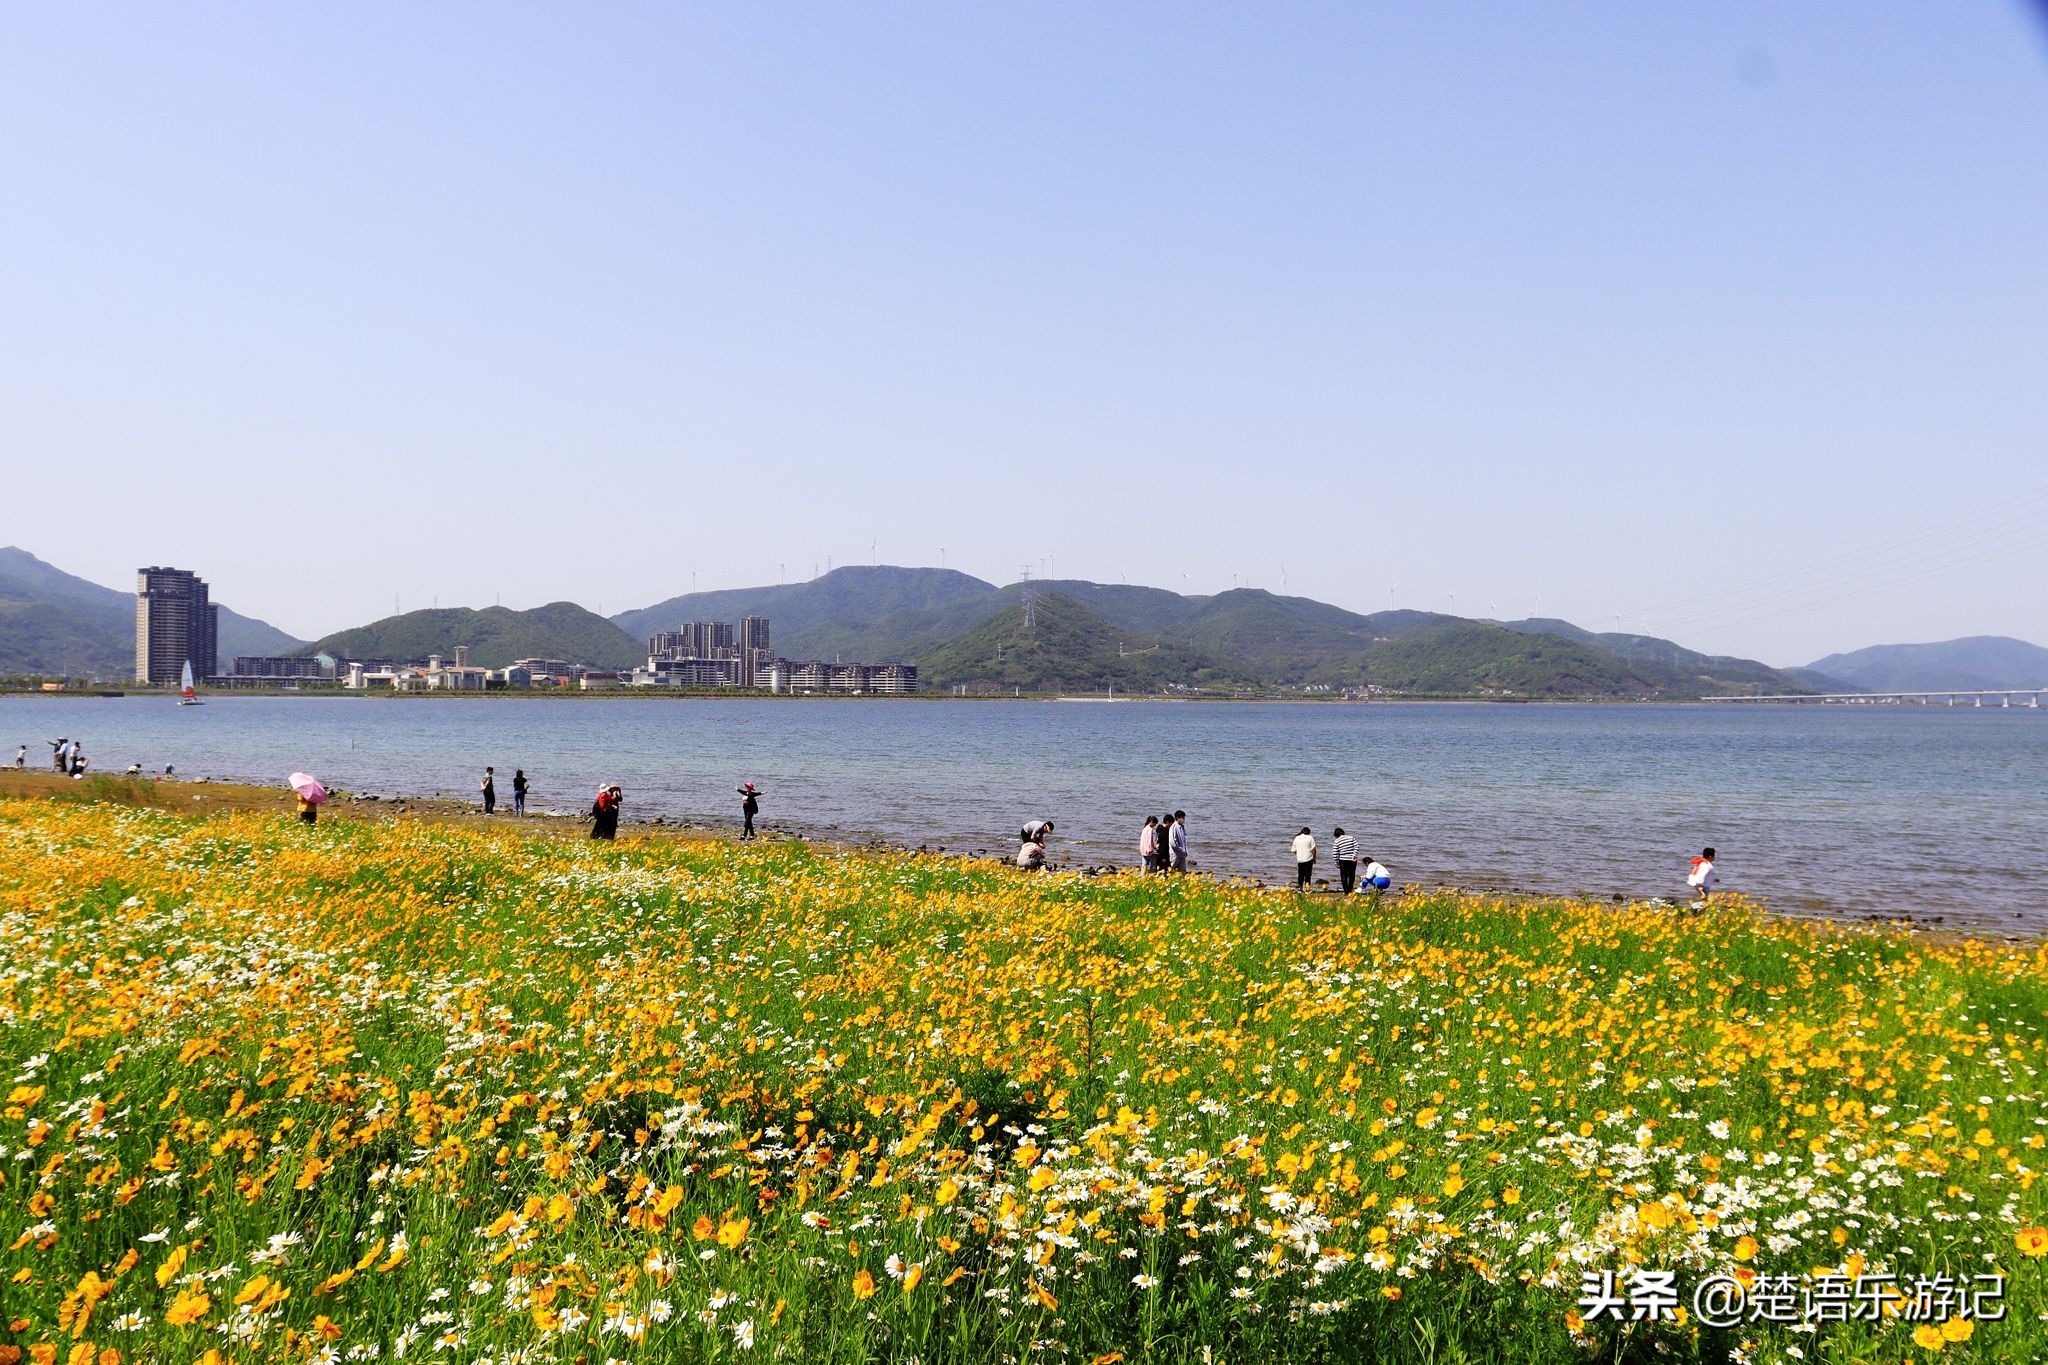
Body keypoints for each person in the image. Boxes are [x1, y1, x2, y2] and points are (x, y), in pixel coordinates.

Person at [1332, 827, 1359, 894]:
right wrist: (1354, 854)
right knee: (1352, 875)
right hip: (1352, 859)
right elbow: (1357, 846)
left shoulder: (1337, 841)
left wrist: (1336, 862)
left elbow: (1335, 853)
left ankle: (1346, 891)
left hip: (1343, 860)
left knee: (1343, 876)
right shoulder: (1351, 837)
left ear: (1336, 835)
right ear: (1343, 832)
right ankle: (1350, 889)